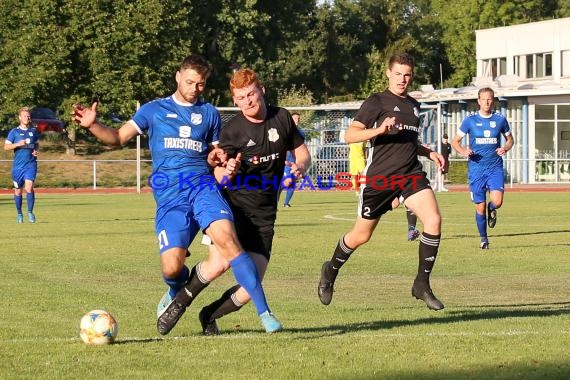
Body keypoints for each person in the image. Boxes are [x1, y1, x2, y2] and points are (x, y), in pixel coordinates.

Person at [71, 54, 281, 335]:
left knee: (229, 242)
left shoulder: (209, 114)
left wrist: (218, 158)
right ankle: (175, 289)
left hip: (204, 188)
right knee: (172, 268)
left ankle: (265, 314)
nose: (196, 88)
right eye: (191, 81)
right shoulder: (153, 110)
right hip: (170, 196)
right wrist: (93, 126)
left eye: (201, 84)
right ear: (178, 77)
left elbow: (215, 154)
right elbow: (118, 139)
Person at [317, 53, 446, 311]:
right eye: (398, 74)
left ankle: (422, 284)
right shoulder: (376, 101)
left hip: (410, 175)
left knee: (433, 220)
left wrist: (428, 152)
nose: (403, 79)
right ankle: (330, 271)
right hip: (380, 179)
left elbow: (408, 141)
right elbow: (350, 135)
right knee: (361, 235)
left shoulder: (413, 105)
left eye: (407, 74)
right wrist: (378, 130)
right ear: (388, 73)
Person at [186, 68, 310, 335]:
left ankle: (209, 314)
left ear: (261, 90)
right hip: (233, 210)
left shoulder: (283, 118)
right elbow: (216, 170)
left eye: (251, 94)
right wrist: (225, 171)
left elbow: (302, 154)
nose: (248, 101)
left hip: (265, 216)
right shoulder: (233, 131)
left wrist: (300, 168)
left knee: (250, 287)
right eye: (241, 98)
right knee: (217, 265)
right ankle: (179, 299)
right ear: (235, 101)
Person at [451, 87, 514, 250]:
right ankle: (484, 239)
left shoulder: (500, 120)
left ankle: (492, 209)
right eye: (484, 99)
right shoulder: (469, 121)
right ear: (478, 101)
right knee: (479, 206)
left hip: (494, 168)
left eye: (490, 99)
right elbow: (455, 142)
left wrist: (505, 148)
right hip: (477, 169)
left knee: (497, 202)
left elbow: (510, 140)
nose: (487, 102)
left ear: (493, 100)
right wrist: (464, 151)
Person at [4, 107, 40, 223]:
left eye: (28, 116)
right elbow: (6, 147)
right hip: (18, 167)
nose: (27, 118)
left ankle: (30, 212)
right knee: (18, 190)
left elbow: (37, 144)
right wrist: (18, 144)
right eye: (24, 116)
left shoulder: (34, 131)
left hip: (30, 164)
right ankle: (19, 213)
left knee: (29, 188)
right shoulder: (14, 132)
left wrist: (35, 150)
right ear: (20, 117)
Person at [281, 112, 303, 207]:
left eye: (298, 118)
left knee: (292, 184)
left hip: (295, 163)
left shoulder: (301, 133)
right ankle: (271, 198)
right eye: (294, 118)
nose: (297, 120)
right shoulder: (286, 132)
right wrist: (283, 159)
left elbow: (302, 149)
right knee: (287, 181)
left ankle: (286, 203)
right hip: (287, 162)